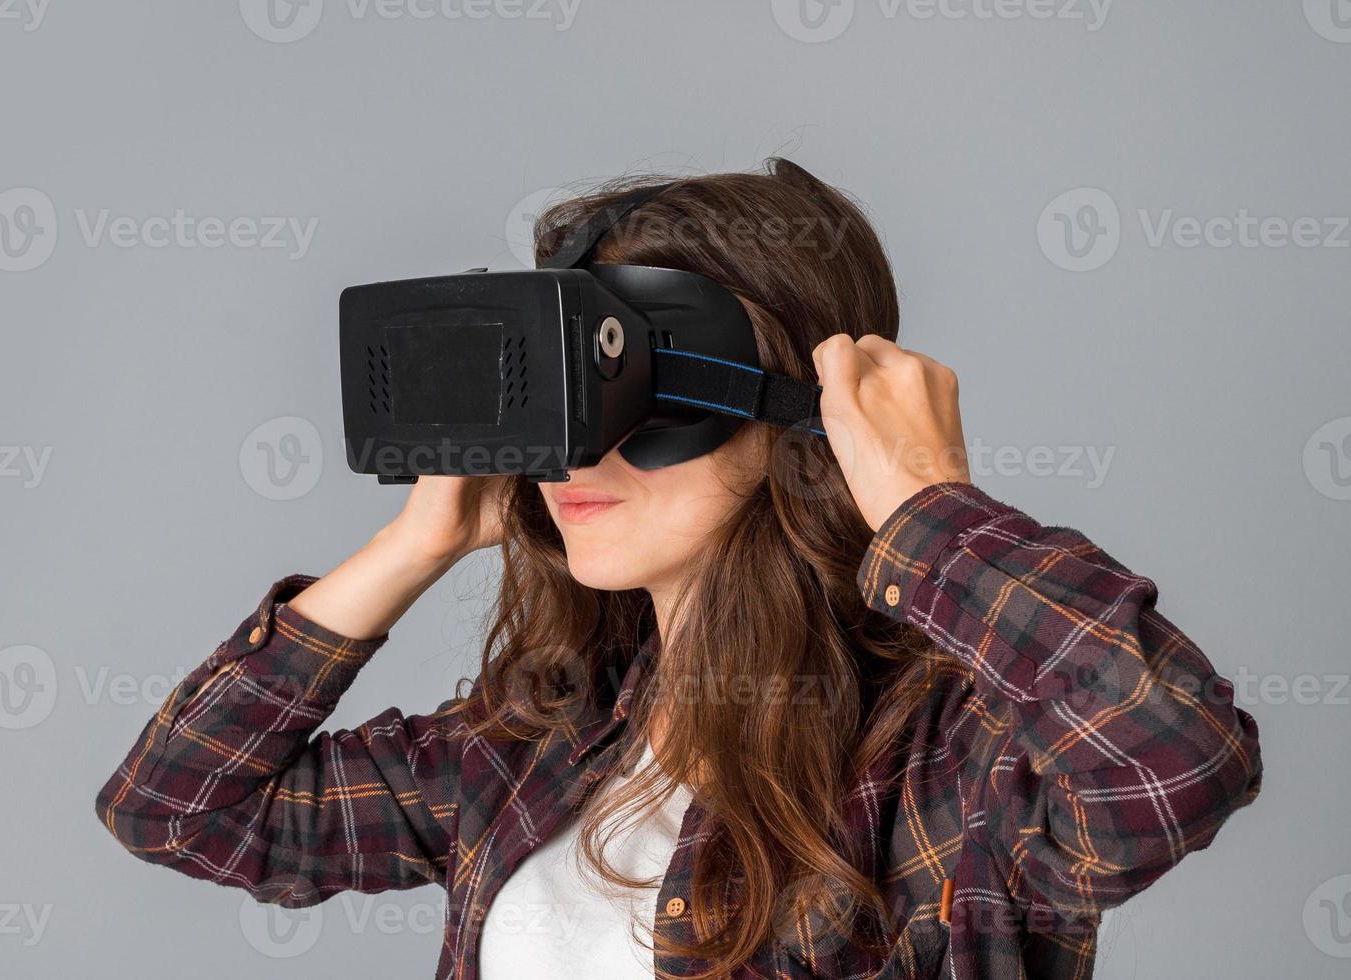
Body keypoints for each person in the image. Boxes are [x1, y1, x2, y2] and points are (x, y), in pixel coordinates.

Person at [94, 159, 1262, 979]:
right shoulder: (531, 746)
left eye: (633, 393)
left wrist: (923, 504)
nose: (578, 454)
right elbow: (179, 810)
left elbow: (1172, 759)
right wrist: (418, 543)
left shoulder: (948, 771)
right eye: (554, 402)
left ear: (804, 420)